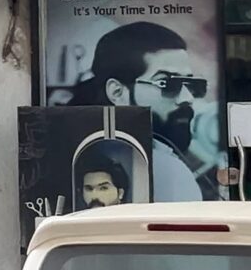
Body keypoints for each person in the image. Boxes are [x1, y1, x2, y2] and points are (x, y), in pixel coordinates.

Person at [72, 21, 216, 200]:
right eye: (166, 83)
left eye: (192, 84)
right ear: (117, 92)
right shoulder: (169, 171)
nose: (187, 98)